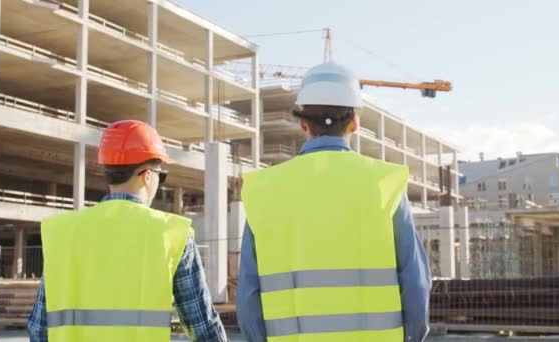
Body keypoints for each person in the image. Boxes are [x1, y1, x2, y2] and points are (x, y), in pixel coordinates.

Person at [237, 62, 431, 341]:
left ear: (303, 124)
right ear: (354, 122)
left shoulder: (263, 190)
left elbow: (248, 297)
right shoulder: (385, 184)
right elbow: (416, 285)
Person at [28, 120, 228, 342]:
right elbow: (203, 327)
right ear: (147, 175)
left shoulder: (63, 233)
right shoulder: (170, 234)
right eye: (161, 176)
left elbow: (39, 328)